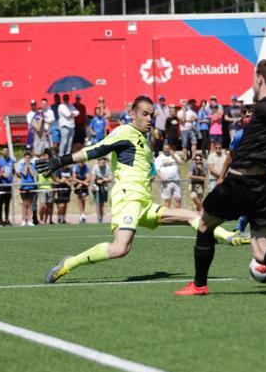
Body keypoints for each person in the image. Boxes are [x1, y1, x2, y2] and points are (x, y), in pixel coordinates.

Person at [37, 95, 248, 284]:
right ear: (132, 114)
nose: (149, 119)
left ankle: (227, 236)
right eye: (145, 114)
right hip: (128, 197)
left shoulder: (144, 141)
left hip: (142, 202)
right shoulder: (125, 131)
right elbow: (96, 149)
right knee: (120, 248)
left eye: (152, 115)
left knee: (190, 215)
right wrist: (62, 160)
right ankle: (68, 264)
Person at [173, 60, 266, 297]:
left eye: (254, 79)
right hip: (262, 187)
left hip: (238, 183)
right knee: (261, 252)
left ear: (261, 80)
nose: (253, 84)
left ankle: (199, 285)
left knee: (204, 225)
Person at [155, 144, 185, 208]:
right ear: (163, 150)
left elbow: (181, 163)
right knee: (167, 200)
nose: (166, 150)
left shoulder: (174, 156)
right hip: (166, 182)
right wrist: (161, 177)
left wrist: (174, 155)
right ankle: (168, 215)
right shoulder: (159, 158)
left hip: (176, 181)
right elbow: (157, 170)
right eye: (165, 149)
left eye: (168, 148)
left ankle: (178, 214)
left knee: (178, 199)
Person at [17, 151, 37, 226]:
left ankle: (29, 220)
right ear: (24, 158)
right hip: (24, 187)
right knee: (24, 203)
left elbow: (33, 174)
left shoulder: (33, 165)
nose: (27, 159)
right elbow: (24, 173)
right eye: (26, 158)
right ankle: (23, 220)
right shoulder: (21, 165)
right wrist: (26, 165)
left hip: (31, 186)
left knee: (30, 204)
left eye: (29, 158)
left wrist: (29, 166)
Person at [0, 147, 15, 226]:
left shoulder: (11, 160)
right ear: (2, 152)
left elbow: (13, 171)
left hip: (9, 185)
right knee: (1, 203)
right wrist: (2, 174)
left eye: (7, 151)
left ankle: (7, 219)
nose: (5, 152)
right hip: (2, 184)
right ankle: (1, 219)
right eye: (4, 151)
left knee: (7, 203)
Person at [91, 157, 113, 223]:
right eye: (101, 163)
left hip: (104, 187)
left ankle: (101, 218)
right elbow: (93, 177)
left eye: (103, 163)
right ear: (98, 162)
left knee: (102, 203)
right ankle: (98, 217)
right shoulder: (95, 167)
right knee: (97, 203)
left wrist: (103, 180)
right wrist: (95, 182)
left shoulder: (107, 167)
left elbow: (110, 178)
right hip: (96, 187)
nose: (102, 164)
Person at [36, 153, 54, 225]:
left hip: (49, 188)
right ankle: (41, 219)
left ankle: (46, 221)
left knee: (49, 206)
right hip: (42, 188)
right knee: (43, 205)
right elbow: (44, 174)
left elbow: (53, 177)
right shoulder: (38, 166)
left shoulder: (50, 166)